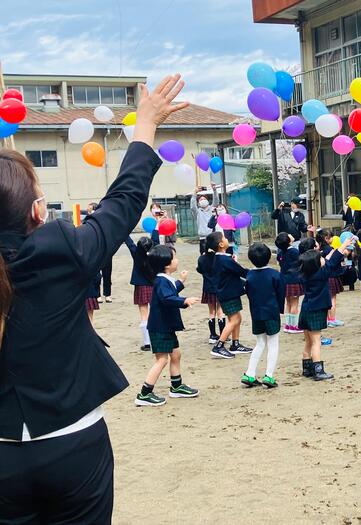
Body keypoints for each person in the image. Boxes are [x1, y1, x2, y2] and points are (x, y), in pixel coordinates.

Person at [0, 73, 188, 522]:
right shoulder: (63, 249)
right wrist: (145, 127)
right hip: (74, 444)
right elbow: (123, 200)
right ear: (36, 211)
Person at [135, 245, 199, 406]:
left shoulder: (165, 279)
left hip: (166, 327)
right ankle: (144, 393)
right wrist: (184, 300)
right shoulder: (161, 280)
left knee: (176, 355)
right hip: (160, 328)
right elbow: (167, 298)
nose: (177, 260)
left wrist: (181, 282)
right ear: (166, 264)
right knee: (162, 360)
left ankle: (176, 386)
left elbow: (171, 290)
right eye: (174, 257)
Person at [297, 235, 354, 380]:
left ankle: (306, 367)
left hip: (306, 308)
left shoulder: (305, 273)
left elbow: (329, 259)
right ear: (317, 263)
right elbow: (334, 259)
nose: (323, 258)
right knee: (316, 341)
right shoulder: (323, 273)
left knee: (308, 341)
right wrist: (345, 244)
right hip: (317, 309)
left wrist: (331, 253)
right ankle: (318, 370)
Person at [241, 243, 286, 388]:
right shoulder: (274, 274)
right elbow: (281, 293)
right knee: (273, 344)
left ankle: (250, 373)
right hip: (271, 312)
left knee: (260, 343)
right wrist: (280, 309)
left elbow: (248, 293)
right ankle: (269, 376)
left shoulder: (249, 275)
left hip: (256, 313)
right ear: (268, 257)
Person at [210, 231, 252, 358]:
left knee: (236, 318)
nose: (227, 238)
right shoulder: (224, 259)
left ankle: (235, 344)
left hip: (227, 292)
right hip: (228, 293)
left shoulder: (220, 258)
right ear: (221, 244)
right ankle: (219, 346)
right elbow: (240, 271)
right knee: (234, 320)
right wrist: (254, 273)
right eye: (224, 238)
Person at [125, 235, 156, 351]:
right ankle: (155, 339)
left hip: (141, 286)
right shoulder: (155, 254)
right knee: (155, 312)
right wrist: (158, 224)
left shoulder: (136, 253)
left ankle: (147, 342)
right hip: (153, 285)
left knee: (144, 315)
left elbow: (129, 242)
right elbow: (156, 239)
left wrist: (124, 227)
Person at [197, 233, 226, 345]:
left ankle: (212, 335)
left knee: (211, 312)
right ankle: (223, 333)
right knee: (220, 311)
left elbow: (199, 269)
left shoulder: (202, 259)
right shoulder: (218, 258)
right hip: (218, 287)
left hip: (207, 287)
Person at [275, 232, 304, 334]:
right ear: (288, 240)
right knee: (295, 304)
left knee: (288, 303)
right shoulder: (294, 252)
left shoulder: (280, 253)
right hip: (294, 280)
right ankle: (294, 326)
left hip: (284, 280)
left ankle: (288, 325)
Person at [316, 229, 345, 327]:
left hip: (324, 276)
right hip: (332, 276)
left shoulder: (319, 250)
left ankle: (328, 319)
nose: (332, 238)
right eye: (331, 237)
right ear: (326, 238)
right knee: (333, 299)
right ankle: (332, 319)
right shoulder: (329, 249)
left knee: (328, 298)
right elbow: (337, 260)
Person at [87, 202, 113, 303]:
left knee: (107, 274)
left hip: (106, 252)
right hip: (95, 252)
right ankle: (97, 294)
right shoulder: (88, 222)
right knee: (96, 275)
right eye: (88, 211)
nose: (89, 212)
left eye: (90, 210)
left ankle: (108, 294)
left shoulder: (104, 221)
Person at [191, 181, 219, 255]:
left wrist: (214, 190)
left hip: (213, 236)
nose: (203, 200)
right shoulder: (197, 212)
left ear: (207, 201)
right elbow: (193, 206)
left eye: (204, 199)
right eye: (200, 200)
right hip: (203, 238)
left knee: (214, 255)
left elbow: (216, 201)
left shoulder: (212, 209)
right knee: (204, 256)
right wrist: (195, 193)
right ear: (198, 203)